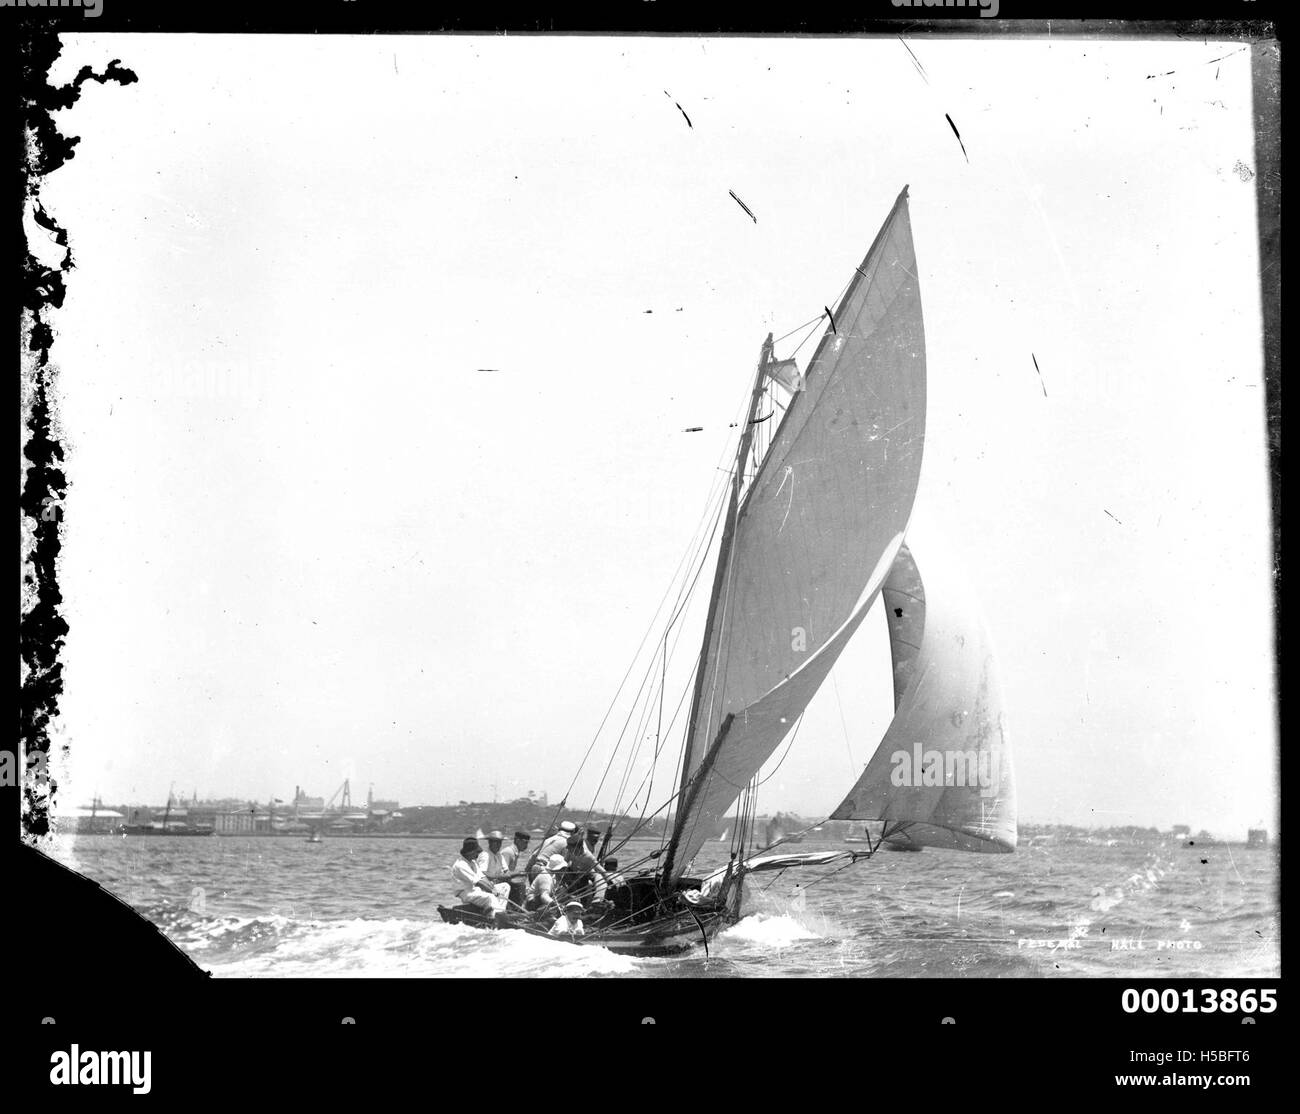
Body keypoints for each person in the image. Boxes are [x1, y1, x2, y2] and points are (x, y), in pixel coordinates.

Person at [451, 836, 509, 916]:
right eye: (476, 852)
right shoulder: (460, 865)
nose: (478, 854)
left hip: (477, 890)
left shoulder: (473, 863)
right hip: (466, 893)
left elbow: (483, 878)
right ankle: (497, 916)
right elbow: (479, 883)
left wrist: (492, 887)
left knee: (505, 887)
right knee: (490, 897)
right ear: (470, 852)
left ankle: (499, 912)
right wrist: (493, 892)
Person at [502, 830, 531, 907]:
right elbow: (503, 873)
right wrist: (519, 873)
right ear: (517, 840)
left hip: (506, 881)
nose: (526, 845)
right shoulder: (508, 852)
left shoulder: (515, 853)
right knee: (520, 887)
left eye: (527, 843)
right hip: (501, 883)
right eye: (525, 842)